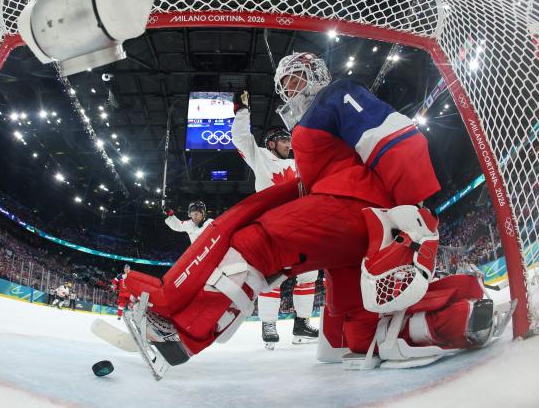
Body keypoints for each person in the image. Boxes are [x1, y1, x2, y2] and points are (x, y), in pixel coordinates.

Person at [123, 52, 506, 372]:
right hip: (343, 233)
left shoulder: (334, 96)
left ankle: (184, 334)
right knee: (355, 338)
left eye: (295, 78)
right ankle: (455, 318)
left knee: (256, 243)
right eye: (284, 84)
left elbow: (391, 137)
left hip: (350, 211)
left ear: (316, 74)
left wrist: (417, 207)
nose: (290, 88)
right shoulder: (300, 142)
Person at [231, 90, 318, 349]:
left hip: (301, 223)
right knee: (272, 276)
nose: (288, 144)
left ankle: (302, 323)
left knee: (309, 273)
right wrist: (241, 111)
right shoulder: (260, 157)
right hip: (273, 225)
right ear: (271, 143)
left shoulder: (299, 163)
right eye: (283, 140)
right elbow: (240, 138)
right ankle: (268, 324)